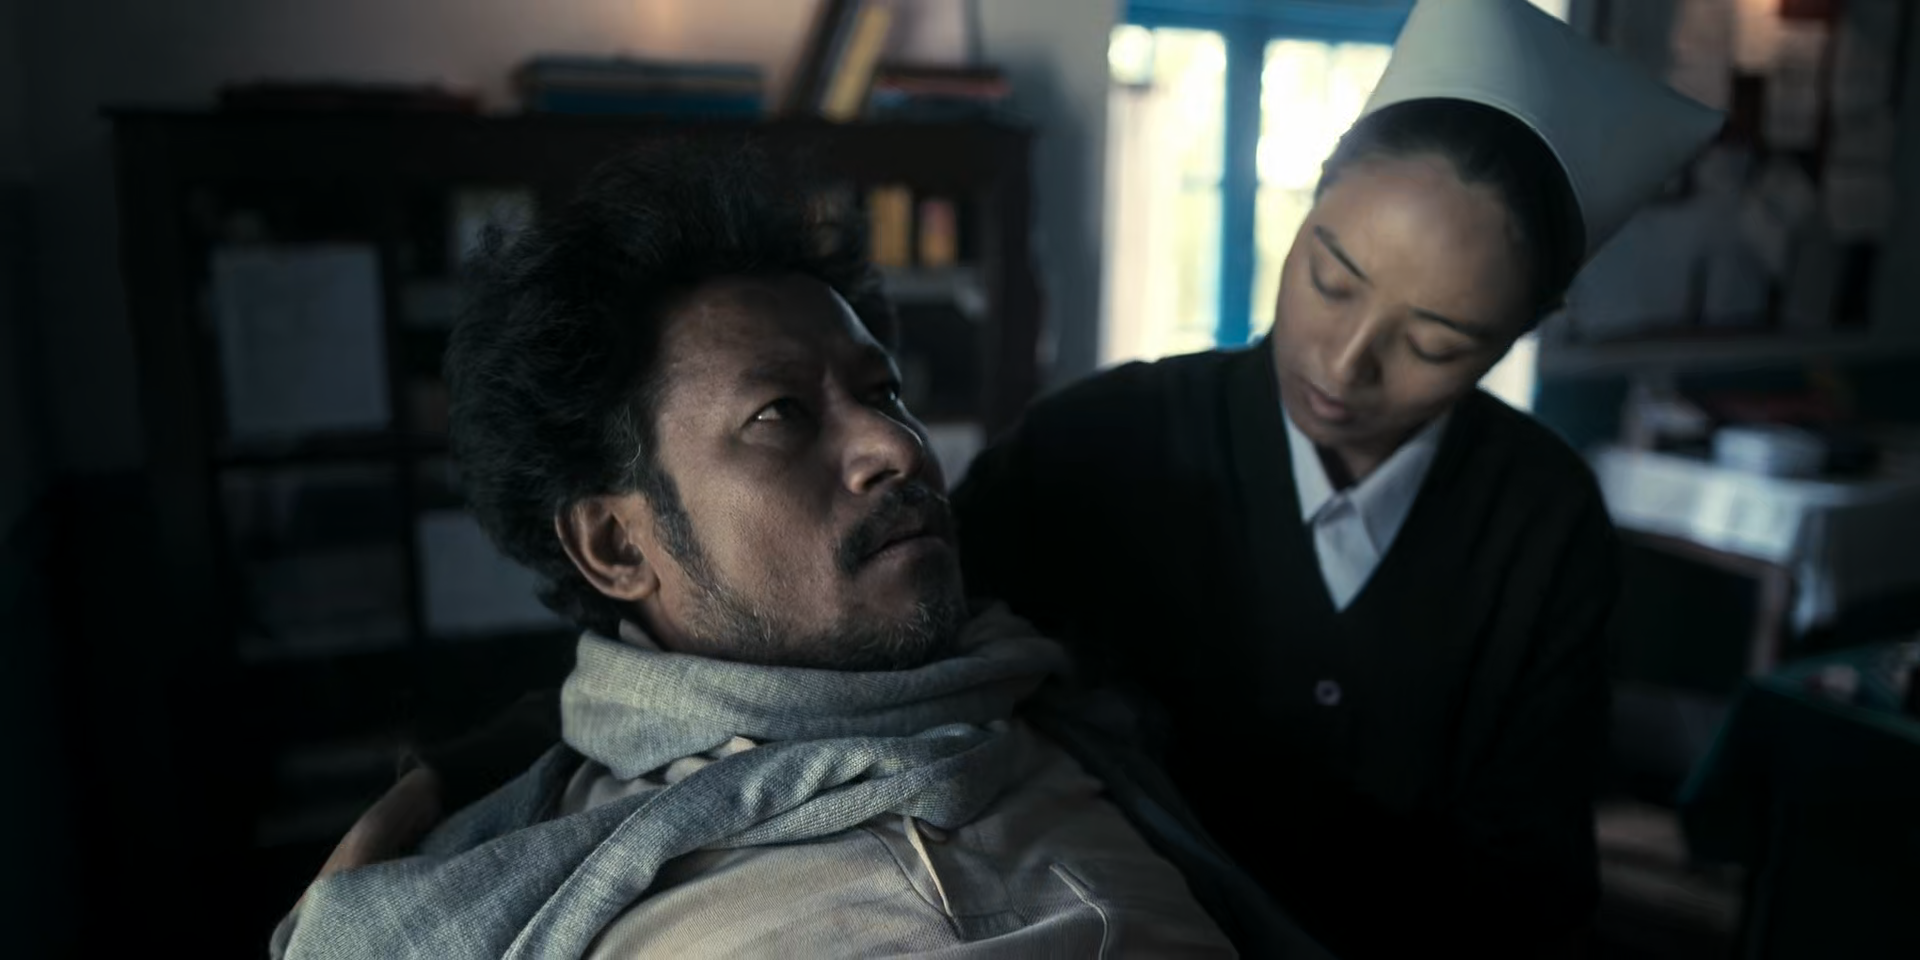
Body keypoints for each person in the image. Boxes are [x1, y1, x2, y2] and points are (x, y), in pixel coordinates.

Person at [310, 2, 1723, 956]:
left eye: (1438, 339)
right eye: (1332, 275)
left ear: (1518, 337)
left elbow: (1533, 893)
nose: (1347, 362)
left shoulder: (1541, 525)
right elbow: (770, 630)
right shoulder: (1108, 446)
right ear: (1301, 214)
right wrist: (464, 778)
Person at [271, 139, 1319, 959]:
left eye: (883, 391)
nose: (896, 448)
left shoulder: (1030, 667)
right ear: (616, 543)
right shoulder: (532, 876)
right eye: (779, 416)